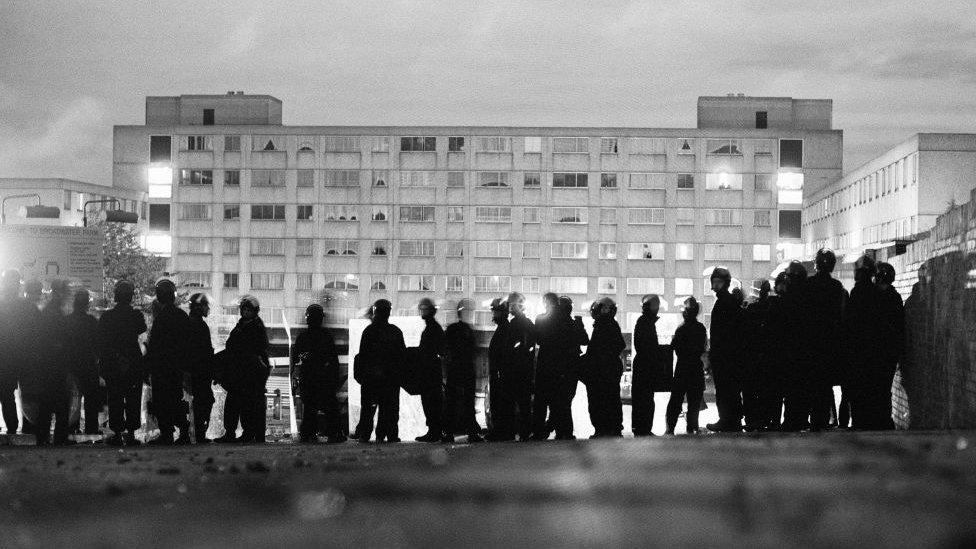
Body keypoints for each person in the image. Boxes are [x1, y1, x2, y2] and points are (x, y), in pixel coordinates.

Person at [98, 281, 148, 446]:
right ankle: (132, 434)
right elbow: (142, 329)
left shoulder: (107, 317)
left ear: (116, 295)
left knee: (115, 399)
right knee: (133, 399)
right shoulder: (136, 316)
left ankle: (118, 433)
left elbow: (102, 340)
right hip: (133, 361)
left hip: (114, 362)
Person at [216, 295, 271, 443]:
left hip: (250, 374)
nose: (245, 312)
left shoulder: (256, 327)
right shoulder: (240, 326)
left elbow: (256, 349)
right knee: (233, 404)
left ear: (255, 311)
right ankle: (230, 433)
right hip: (237, 373)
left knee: (248, 404)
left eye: (249, 309)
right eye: (244, 309)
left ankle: (249, 433)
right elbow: (231, 346)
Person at [804, 249, 849, 430]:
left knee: (815, 384)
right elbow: (841, 318)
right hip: (830, 345)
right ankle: (828, 419)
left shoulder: (808, 286)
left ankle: (818, 419)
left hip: (812, 344)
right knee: (825, 384)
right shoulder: (837, 288)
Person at [532, 296, 587, 440]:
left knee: (544, 400)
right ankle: (562, 431)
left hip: (548, 366)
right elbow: (584, 340)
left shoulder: (544, 319)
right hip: (565, 368)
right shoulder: (569, 322)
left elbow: (538, 339)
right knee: (562, 402)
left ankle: (544, 431)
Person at [145, 278, 191, 445]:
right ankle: (184, 432)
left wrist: (147, 366)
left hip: (161, 368)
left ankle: (167, 433)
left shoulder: (161, 318)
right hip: (176, 367)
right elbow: (187, 343)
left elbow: (154, 346)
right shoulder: (181, 315)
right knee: (175, 399)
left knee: (162, 401)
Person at [292, 303, 344, 443]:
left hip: (309, 379)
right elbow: (333, 360)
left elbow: (296, 360)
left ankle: (308, 434)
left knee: (310, 408)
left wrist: (295, 378)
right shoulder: (326, 336)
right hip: (323, 379)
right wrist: (334, 378)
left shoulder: (303, 337)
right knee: (329, 407)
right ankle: (334, 433)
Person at [355, 299, 405, 443]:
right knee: (389, 409)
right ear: (388, 313)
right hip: (390, 379)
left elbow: (362, 356)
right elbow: (402, 356)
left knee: (367, 409)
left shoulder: (369, 331)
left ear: (375, 312)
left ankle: (364, 435)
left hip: (371, 379)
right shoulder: (395, 331)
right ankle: (388, 435)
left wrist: (362, 376)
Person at [30, 280, 72, 445]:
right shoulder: (54, 312)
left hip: (49, 363)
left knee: (48, 400)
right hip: (54, 363)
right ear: (59, 293)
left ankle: (44, 436)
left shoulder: (50, 310)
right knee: (58, 401)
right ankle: (58, 437)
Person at [0, 270, 39, 436]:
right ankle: (30, 425)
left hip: (5, 356)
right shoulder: (27, 306)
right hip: (25, 356)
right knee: (28, 391)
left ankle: (12, 426)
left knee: (5, 392)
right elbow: (37, 331)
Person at [705, 267, 744, 432]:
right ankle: (731, 419)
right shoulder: (727, 301)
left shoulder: (724, 302)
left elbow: (724, 332)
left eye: (718, 282)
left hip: (725, 355)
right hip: (728, 354)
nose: (715, 285)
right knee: (729, 389)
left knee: (725, 389)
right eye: (714, 282)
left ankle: (727, 419)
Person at [583, 297, 626, 438]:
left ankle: (602, 429)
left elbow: (594, 350)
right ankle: (614, 427)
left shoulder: (602, 326)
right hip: (611, 368)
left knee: (597, 401)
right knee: (613, 398)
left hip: (600, 371)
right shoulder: (612, 325)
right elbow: (620, 345)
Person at [442, 299, 483, 443]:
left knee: (453, 402)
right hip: (465, 370)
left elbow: (445, 350)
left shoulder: (452, 329)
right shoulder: (469, 331)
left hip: (456, 369)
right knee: (466, 402)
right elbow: (473, 351)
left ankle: (449, 433)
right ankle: (471, 432)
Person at [665, 297, 707, 435]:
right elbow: (703, 348)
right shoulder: (700, 328)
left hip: (682, 368)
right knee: (694, 401)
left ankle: (670, 428)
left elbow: (674, 346)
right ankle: (692, 427)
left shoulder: (681, 329)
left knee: (676, 399)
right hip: (695, 367)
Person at [781, 260, 813, 431]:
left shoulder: (789, 298)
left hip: (792, 351)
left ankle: (791, 420)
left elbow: (784, 326)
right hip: (804, 351)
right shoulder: (809, 297)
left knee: (792, 390)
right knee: (802, 389)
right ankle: (800, 419)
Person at [66, 289, 102, 436]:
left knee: (72, 398)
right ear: (87, 304)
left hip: (72, 365)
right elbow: (98, 344)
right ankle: (91, 428)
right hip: (88, 364)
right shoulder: (92, 321)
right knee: (91, 399)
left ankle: (71, 426)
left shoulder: (67, 321)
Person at [759, 273, 792, 430]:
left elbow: (766, 328)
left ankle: (773, 420)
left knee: (775, 390)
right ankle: (783, 421)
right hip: (786, 352)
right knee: (784, 390)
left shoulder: (773, 304)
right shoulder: (794, 304)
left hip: (775, 353)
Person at [873, 262, 904, 430]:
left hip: (876, 351)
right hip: (890, 352)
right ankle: (885, 419)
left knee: (877, 386)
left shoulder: (874, 298)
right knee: (885, 387)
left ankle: (879, 419)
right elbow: (900, 327)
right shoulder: (895, 297)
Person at [740, 281, 771, 431]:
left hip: (752, 355)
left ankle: (752, 419)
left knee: (750, 390)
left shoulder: (751, 309)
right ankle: (764, 418)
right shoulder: (772, 308)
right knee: (764, 389)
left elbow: (745, 331)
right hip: (766, 354)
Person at [414, 298, 445, 443]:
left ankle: (434, 431)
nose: (422, 311)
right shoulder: (433, 327)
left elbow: (437, 350)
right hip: (431, 371)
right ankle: (434, 430)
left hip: (430, 372)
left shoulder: (432, 329)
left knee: (431, 402)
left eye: (424, 309)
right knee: (430, 402)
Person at [506, 292, 536, 441]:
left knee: (518, 402)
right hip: (523, 369)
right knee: (523, 403)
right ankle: (524, 432)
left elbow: (522, 346)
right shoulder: (527, 323)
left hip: (518, 369)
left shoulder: (518, 324)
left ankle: (520, 432)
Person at [631, 294, 662, 437]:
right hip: (646, 366)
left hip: (642, 365)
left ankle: (640, 427)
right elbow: (648, 347)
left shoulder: (642, 322)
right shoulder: (647, 323)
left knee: (641, 398)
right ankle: (644, 428)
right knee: (647, 399)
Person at [186, 293, 215, 443]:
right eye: (206, 305)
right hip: (200, 371)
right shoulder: (198, 325)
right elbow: (203, 351)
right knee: (204, 401)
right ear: (199, 307)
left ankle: (196, 431)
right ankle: (199, 432)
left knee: (200, 401)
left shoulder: (190, 322)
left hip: (195, 370)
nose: (208, 308)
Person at [486, 298, 515, 441]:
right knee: (500, 403)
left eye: (495, 311)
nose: (493, 314)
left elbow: (503, 353)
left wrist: (498, 371)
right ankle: (501, 431)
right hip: (500, 373)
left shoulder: (505, 330)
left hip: (501, 374)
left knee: (500, 403)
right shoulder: (504, 328)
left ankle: (501, 431)